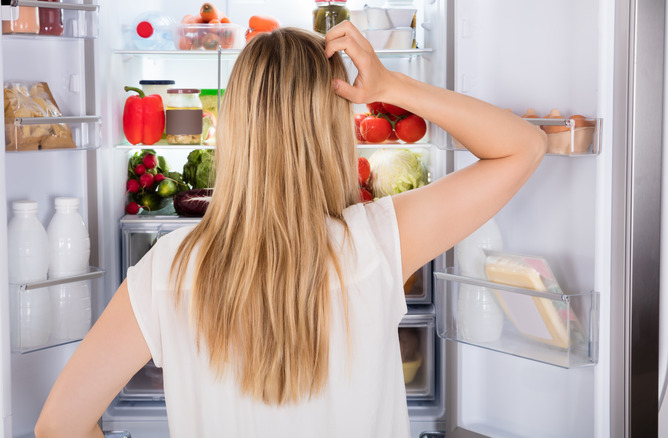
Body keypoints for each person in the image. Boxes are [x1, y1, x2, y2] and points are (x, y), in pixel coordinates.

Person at [35, 22, 546, 438]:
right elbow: (524, 146)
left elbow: (59, 425)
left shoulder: (166, 270)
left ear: (235, 127)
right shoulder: (378, 242)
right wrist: (392, 86)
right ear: (333, 128)